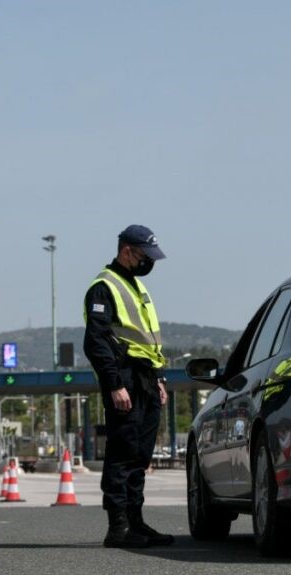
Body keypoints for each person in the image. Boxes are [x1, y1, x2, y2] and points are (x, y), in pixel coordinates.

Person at [83, 225, 174, 548]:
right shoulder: (104, 287)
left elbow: (147, 339)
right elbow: (96, 342)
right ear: (126, 251)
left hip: (147, 379)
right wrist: (114, 385)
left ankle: (136, 522)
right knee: (122, 452)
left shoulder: (135, 287)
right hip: (125, 379)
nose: (148, 262)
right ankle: (118, 526)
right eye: (144, 256)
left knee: (140, 454)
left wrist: (159, 377)